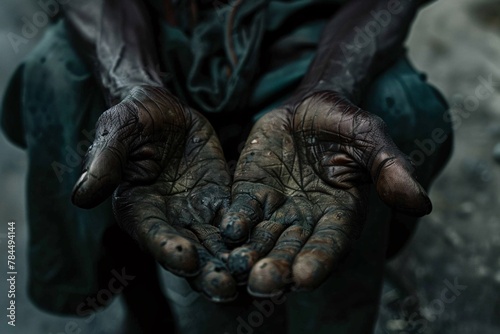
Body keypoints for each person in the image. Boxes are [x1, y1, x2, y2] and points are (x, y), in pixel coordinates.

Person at [1, 0, 453, 332]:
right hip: (137, 33)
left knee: (401, 111)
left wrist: (329, 85)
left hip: (316, 38)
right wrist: (132, 84)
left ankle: (330, 308)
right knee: (56, 80)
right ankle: (138, 304)